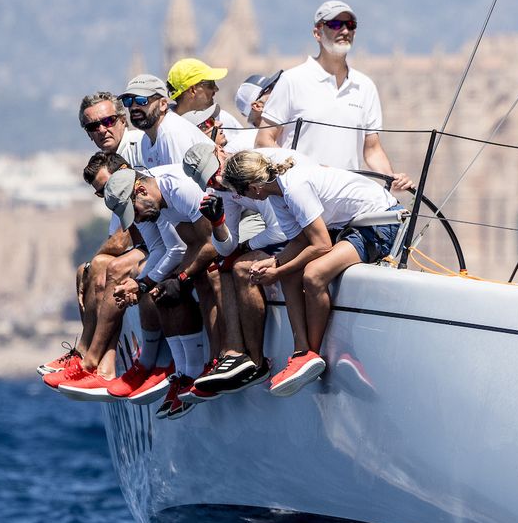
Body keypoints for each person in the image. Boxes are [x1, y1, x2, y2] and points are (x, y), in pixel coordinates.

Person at [221, 149, 399, 396]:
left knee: (314, 274)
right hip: (348, 225)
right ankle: (300, 351)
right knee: (290, 274)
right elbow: (298, 242)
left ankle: (310, 356)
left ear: (253, 187)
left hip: (378, 222)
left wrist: (278, 269)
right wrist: (276, 264)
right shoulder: (275, 195)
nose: (239, 197)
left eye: (239, 192)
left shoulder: (294, 188)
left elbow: (321, 245)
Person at [40, 93, 148, 390]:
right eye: (93, 126)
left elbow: (127, 232)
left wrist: (91, 265)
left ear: (122, 120)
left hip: (160, 245)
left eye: (108, 121)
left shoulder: (137, 153)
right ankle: (99, 362)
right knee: (97, 267)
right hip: (147, 246)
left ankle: (89, 359)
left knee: (101, 267)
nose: (102, 129)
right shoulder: (110, 162)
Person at [103, 161, 224, 418]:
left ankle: (215, 361)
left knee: (200, 279)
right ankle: (184, 375)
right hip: (207, 241)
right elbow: (177, 248)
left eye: (133, 211)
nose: (136, 220)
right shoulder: (158, 203)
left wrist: (178, 278)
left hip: (229, 232)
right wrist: (146, 283)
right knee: (162, 290)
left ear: (140, 191)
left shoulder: (177, 189)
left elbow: (210, 244)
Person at [255, 0, 412, 191]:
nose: (345, 31)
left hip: (348, 196)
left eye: (350, 25)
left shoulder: (365, 86)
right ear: (317, 33)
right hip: (300, 195)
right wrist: (300, 171)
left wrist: (391, 177)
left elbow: (371, 149)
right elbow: (264, 141)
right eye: (336, 25)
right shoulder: (292, 80)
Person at [180, 141, 294, 394]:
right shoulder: (222, 187)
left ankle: (255, 361)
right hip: (289, 228)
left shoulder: (250, 168)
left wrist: (243, 248)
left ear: (221, 152)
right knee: (222, 267)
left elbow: (277, 230)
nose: (216, 182)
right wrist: (218, 223)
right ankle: (234, 353)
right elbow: (225, 249)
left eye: (215, 173)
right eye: (209, 181)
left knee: (242, 267)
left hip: (306, 226)